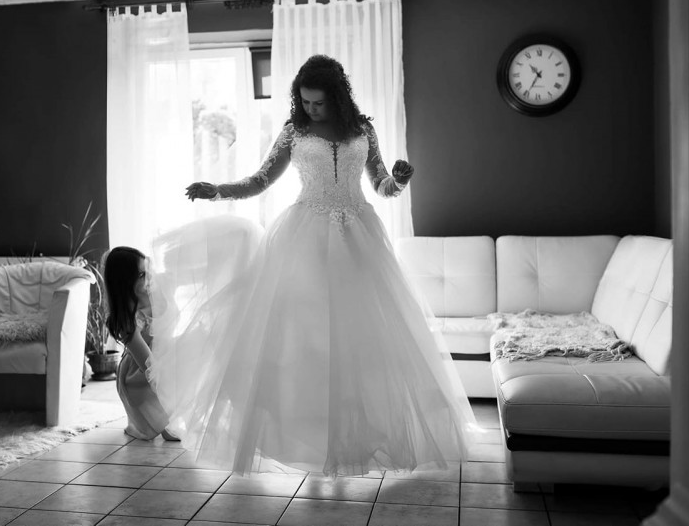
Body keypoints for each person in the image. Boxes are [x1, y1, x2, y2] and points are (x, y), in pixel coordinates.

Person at [151, 54, 476, 476]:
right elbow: (260, 180)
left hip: (359, 240)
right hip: (304, 239)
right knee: (304, 338)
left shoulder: (363, 130)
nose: (311, 109)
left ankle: (356, 439)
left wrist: (398, 180)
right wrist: (218, 191)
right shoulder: (294, 131)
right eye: (305, 102)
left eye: (318, 103)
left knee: (362, 338)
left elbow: (381, 185)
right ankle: (307, 436)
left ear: (337, 98)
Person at [102, 246, 180, 442]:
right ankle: (162, 420)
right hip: (139, 373)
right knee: (173, 364)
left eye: (149, 268)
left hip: (166, 354)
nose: (150, 276)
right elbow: (149, 365)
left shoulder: (161, 284)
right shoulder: (129, 320)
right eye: (142, 274)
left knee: (198, 347)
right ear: (126, 282)